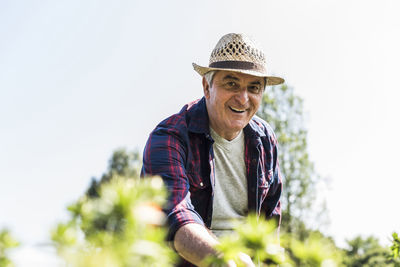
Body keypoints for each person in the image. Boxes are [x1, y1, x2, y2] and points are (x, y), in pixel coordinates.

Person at [141, 33, 284, 267]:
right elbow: (174, 215)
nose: (243, 98)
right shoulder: (170, 136)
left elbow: (270, 228)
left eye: (254, 87)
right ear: (207, 87)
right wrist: (221, 258)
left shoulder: (265, 140)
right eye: (231, 83)